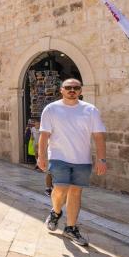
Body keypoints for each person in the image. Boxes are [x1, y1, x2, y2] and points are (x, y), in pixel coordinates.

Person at [38, 79, 106, 247]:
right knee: (60, 189)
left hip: (82, 160)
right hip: (58, 157)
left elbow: (98, 136)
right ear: (61, 90)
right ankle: (56, 211)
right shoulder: (51, 109)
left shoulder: (90, 110)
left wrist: (101, 159)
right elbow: (44, 135)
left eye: (76, 88)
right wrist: (41, 156)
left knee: (75, 193)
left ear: (80, 90)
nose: (72, 90)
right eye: (68, 88)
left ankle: (70, 227)